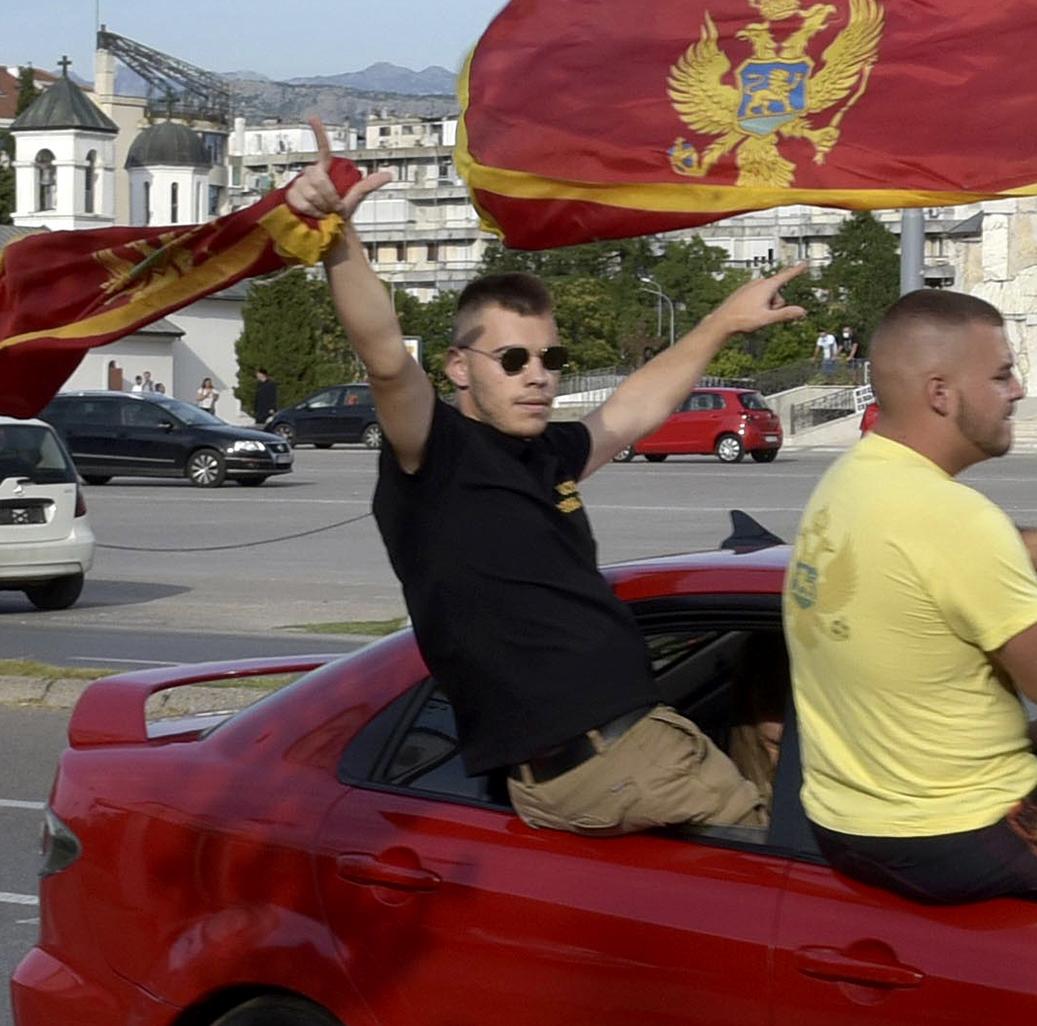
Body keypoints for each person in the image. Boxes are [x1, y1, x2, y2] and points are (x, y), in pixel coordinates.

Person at [291, 121, 805, 837]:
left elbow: (631, 409)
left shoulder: (543, 452)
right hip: (610, 760)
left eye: (548, 356)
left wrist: (720, 322)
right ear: (460, 366)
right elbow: (382, 354)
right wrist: (338, 238)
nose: (537, 373)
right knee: (798, 881)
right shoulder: (436, 452)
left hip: (631, 747)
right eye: (512, 358)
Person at [786, 290, 1037, 907]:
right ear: (941, 393)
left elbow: (919, 571)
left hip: (849, 822)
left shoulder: (849, 482)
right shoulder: (957, 519)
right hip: (966, 825)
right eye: (1001, 375)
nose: (1017, 390)